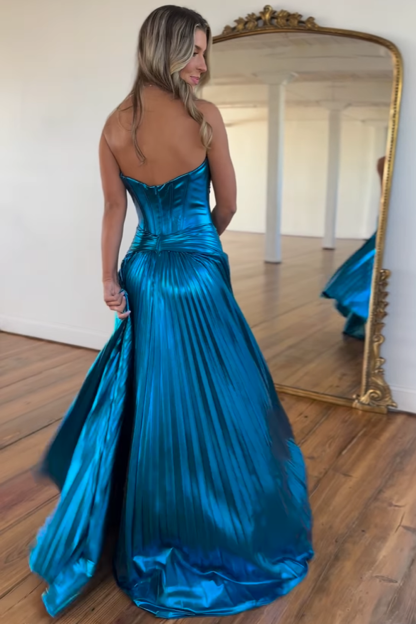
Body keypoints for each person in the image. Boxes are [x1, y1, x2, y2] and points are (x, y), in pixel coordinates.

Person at [29, 5, 313, 618]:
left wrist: (109, 278)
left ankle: (147, 524)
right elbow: (228, 204)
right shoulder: (204, 116)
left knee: (152, 398)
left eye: (206, 52)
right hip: (198, 275)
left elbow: (114, 210)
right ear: (165, 51)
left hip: (143, 276)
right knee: (225, 399)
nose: (203, 64)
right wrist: (201, 244)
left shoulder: (114, 125)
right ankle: (224, 524)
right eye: (194, 51)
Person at [321, 156, 386, 340]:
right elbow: (386, 197)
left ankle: (358, 318)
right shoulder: (386, 161)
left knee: (373, 266)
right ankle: (358, 316)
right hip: (395, 220)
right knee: (372, 265)